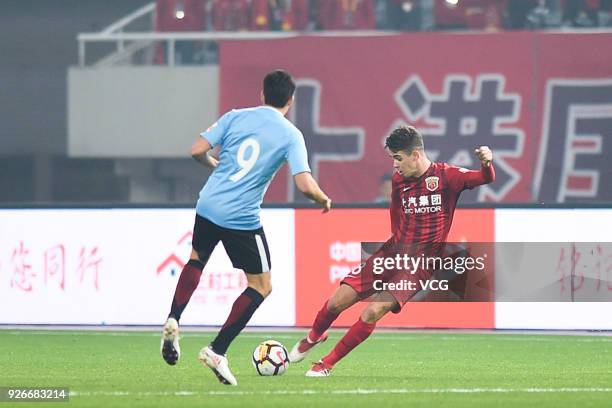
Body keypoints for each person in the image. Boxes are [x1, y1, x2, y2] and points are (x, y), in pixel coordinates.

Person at [160, 69, 332, 386]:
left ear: (262, 95)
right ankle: (217, 350)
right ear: (290, 101)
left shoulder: (236, 117)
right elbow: (304, 184)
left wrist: (217, 168)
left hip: (208, 204)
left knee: (197, 258)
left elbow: (196, 150)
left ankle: (174, 318)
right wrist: (323, 200)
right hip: (241, 217)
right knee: (261, 286)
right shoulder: (291, 134)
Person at [288, 125, 495, 376]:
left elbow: (485, 178)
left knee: (375, 309)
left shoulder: (447, 177)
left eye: (398, 158)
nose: (395, 166)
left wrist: (486, 163)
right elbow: (395, 214)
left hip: (420, 266)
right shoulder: (399, 180)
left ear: (415, 155)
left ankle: (326, 363)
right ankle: (312, 337)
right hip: (392, 254)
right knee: (337, 301)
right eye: (393, 159)